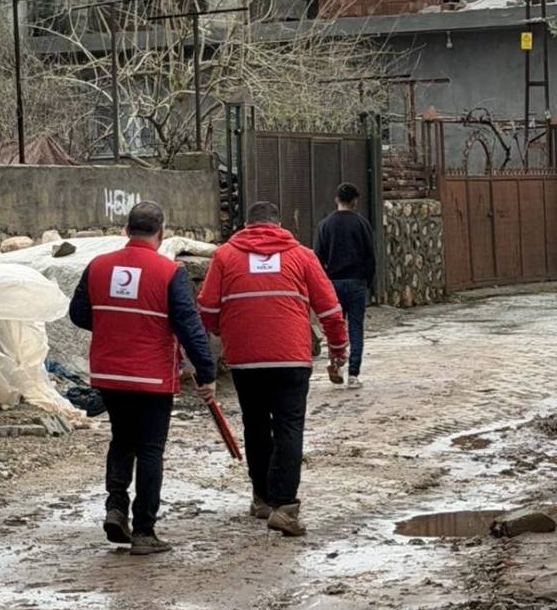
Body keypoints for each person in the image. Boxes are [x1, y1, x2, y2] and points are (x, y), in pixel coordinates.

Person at [69, 202, 217, 556]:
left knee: (122, 439)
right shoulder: (169, 272)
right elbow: (189, 326)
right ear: (161, 232)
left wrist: (112, 327)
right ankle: (144, 530)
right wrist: (206, 372)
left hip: (109, 372)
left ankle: (115, 507)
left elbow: (78, 313)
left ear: (126, 230)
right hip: (151, 375)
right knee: (150, 449)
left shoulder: (98, 266)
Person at [197, 202, 348, 537]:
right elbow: (331, 310)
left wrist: (222, 332)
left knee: (255, 425)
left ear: (247, 225)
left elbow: (206, 308)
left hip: (246, 359)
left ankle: (263, 498)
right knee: (289, 427)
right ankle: (285, 506)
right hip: (291, 357)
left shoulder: (225, 256)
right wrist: (339, 351)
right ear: (278, 225)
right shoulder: (301, 255)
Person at [314, 182, 375, 389]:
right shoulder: (361, 224)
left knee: (334, 326)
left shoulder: (325, 225)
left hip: (333, 283)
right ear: (355, 201)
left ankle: (336, 364)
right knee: (356, 327)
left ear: (336, 200)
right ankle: (354, 375)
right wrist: (369, 281)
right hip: (357, 282)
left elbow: (317, 257)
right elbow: (370, 256)